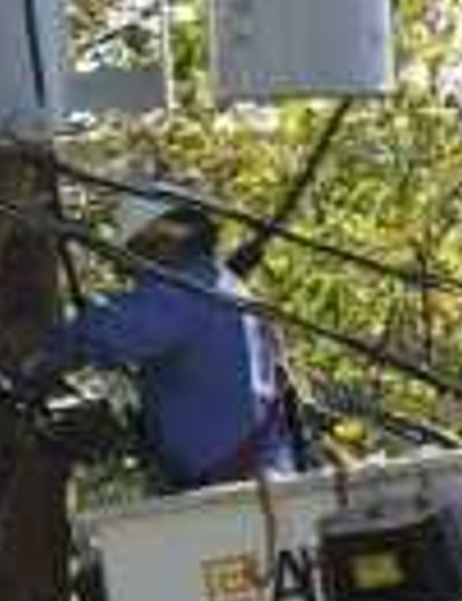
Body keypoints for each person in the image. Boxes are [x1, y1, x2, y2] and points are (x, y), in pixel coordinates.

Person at [31, 188, 305, 492]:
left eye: (137, 257)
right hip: (259, 479)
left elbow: (106, 332)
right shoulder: (223, 285)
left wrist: (34, 357)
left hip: (236, 490)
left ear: (161, 245)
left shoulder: (182, 294)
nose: (135, 278)